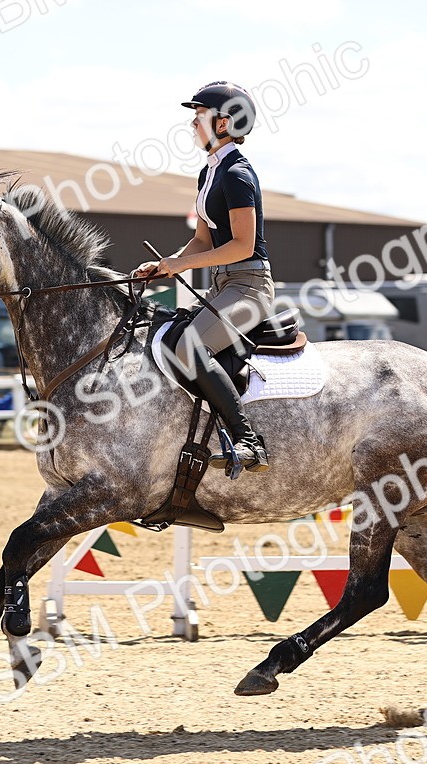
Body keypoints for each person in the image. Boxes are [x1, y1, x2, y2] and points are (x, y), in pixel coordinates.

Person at [133, 81, 273, 474]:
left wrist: (184, 266)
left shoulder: (238, 174)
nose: (193, 124)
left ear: (225, 123)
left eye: (199, 117)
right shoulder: (209, 174)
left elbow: (243, 247)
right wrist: (167, 263)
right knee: (162, 336)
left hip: (249, 287)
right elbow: (202, 239)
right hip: (221, 285)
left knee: (191, 348)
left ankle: (249, 442)